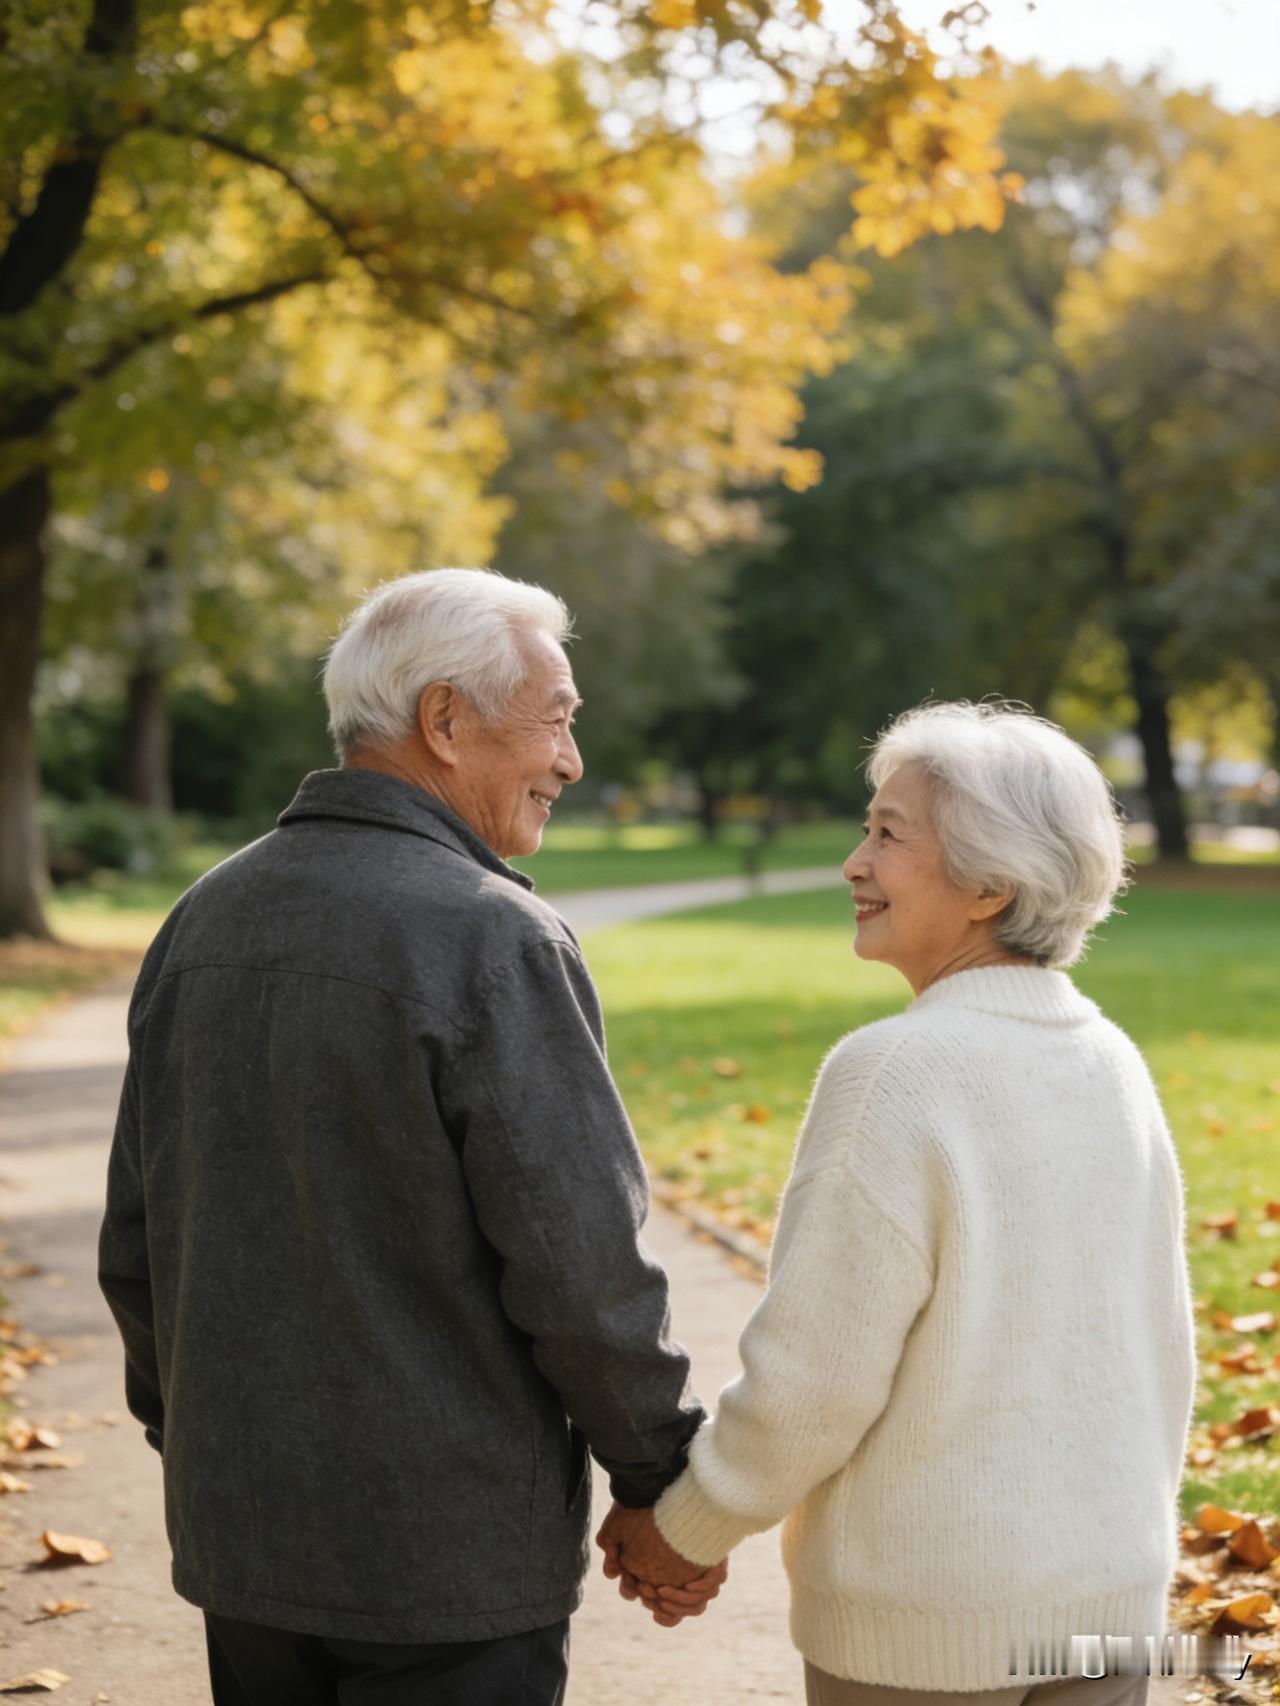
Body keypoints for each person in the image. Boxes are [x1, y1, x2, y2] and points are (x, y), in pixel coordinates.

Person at [98, 568, 723, 1706]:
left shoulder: (202, 917)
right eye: (559, 717)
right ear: (445, 719)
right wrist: (660, 1480)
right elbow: (581, 1268)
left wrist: (200, 1445)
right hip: (447, 1563)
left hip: (245, 1545)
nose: (571, 761)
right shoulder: (493, 937)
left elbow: (136, 1247)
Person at [604, 701, 1196, 1706]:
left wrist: (681, 1529)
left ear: (989, 885)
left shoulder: (893, 1071)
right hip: (1108, 1603)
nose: (852, 861)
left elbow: (814, 1378)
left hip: (927, 1623)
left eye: (887, 832)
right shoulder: (1110, 1059)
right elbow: (1157, 1344)